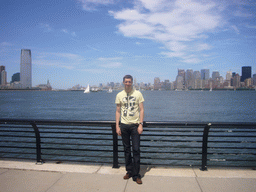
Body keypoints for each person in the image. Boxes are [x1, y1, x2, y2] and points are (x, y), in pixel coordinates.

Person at [115, 75, 145, 185]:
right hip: (124, 126)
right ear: (123, 82)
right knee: (127, 150)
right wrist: (117, 126)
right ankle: (129, 171)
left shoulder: (138, 94)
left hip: (135, 126)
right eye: (126, 82)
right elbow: (118, 111)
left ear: (132, 82)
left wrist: (140, 124)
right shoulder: (119, 95)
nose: (128, 83)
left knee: (136, 150)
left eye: (129, 82)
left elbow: (141, 110)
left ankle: (137, 175)